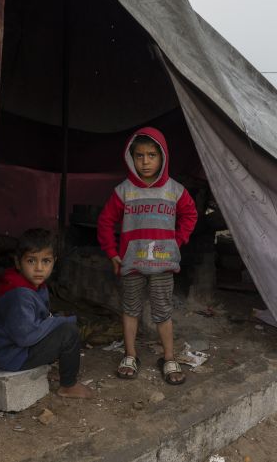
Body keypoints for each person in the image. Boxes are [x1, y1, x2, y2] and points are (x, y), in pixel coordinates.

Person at [97, 127, 197, 385]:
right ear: (131, 157)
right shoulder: (124, 191)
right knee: (130, 309)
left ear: (162, 157)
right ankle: (130, 355)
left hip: (163, 265)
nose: (145, 161)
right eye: (139, 155)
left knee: (163, 311)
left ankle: (169, 357)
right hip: (132, 264)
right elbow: (105, 221)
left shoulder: (174, 190)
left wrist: (178, 240)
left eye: (152, 155)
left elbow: (191, 214)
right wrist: (112, 253)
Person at [0, 228, 93, 399]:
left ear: (54, 262)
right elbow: (26, 337)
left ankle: (60, 371)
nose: (39, 268)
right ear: (18, 262)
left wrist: (55, 320)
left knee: (59, 325)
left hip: (15, 350)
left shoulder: (34, 286)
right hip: (13, 356)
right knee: (69, 333)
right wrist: (59, 321)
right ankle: (68, 386)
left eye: (46, 261)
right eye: (31, 261)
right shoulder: (20, 295)